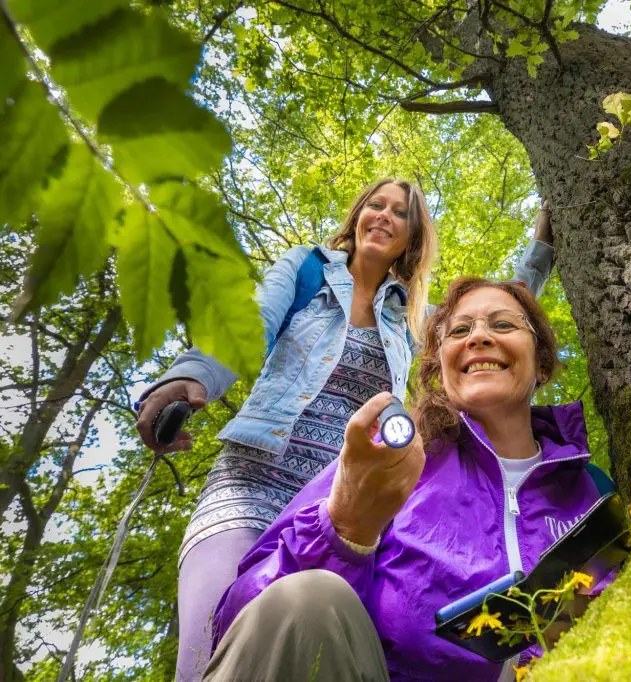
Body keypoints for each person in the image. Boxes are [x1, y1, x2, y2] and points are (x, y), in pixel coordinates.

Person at [134, 180, 555, 681]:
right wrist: (191, 376)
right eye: (375, 205)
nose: (384, 216)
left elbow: (485, 325)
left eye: (400, 213)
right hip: (252, 483)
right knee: (222, 640)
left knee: (322, 632)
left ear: (411, 238)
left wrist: (542, 249)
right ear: (357, 217)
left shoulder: (408, 320)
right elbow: (250, 324)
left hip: (347, 500)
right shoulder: (308, 269)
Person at [202, 277, 611, 682]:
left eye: (503, 325)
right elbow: (249, 621)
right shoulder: (389, 463)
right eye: (460, 330)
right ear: (441, 369)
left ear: (540, 361)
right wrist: (345, 528)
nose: (479, 337)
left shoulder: (593, 491)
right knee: (305, 598)